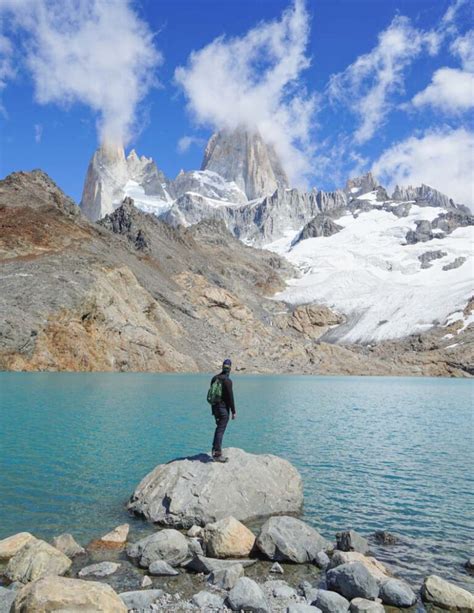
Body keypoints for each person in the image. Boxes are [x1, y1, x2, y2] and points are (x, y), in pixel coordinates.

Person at [209, 358, 236, 462]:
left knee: (218, 429)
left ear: (222, 367)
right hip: (223, 409)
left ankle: (215, 447)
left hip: (215, 408)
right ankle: (217, 454)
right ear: (230, 369)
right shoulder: (227, 381)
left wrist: (213, 411)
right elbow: (230, 397)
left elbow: (212, 395)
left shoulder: (214, 378)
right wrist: (233, 411)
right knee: (220, 430)